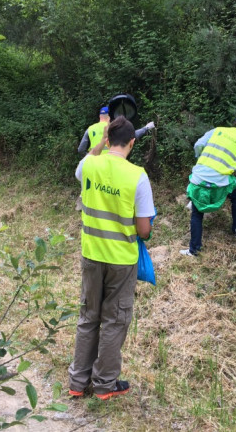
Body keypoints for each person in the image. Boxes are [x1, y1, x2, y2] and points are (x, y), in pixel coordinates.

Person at [69, 116, 155, 400]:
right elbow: (144, 230)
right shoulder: (137, 175)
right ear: (132, 142)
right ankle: (105, 385)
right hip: (121, 261)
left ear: (107, 139)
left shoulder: (90, 165)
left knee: (88, 317)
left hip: (91, 255)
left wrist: (99, 144)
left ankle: (77, 383)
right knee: (114, 320)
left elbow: (81, 169)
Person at [179, 114, 236, 257]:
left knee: (197, 213)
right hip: (220, 181)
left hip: (198, 177)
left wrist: (200, 158)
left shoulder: (217, 130)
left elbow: (198, 144)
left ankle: (194, 250)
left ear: (235, 124)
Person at [77, 105, 155, 155]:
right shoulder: (113, 128)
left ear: (100, 116)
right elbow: (133, 135)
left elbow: (81, 150)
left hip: (95, 165)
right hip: (111, 163)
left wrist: (90, 157)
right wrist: (146, 128)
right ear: (110, 116)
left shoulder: (90, 129)